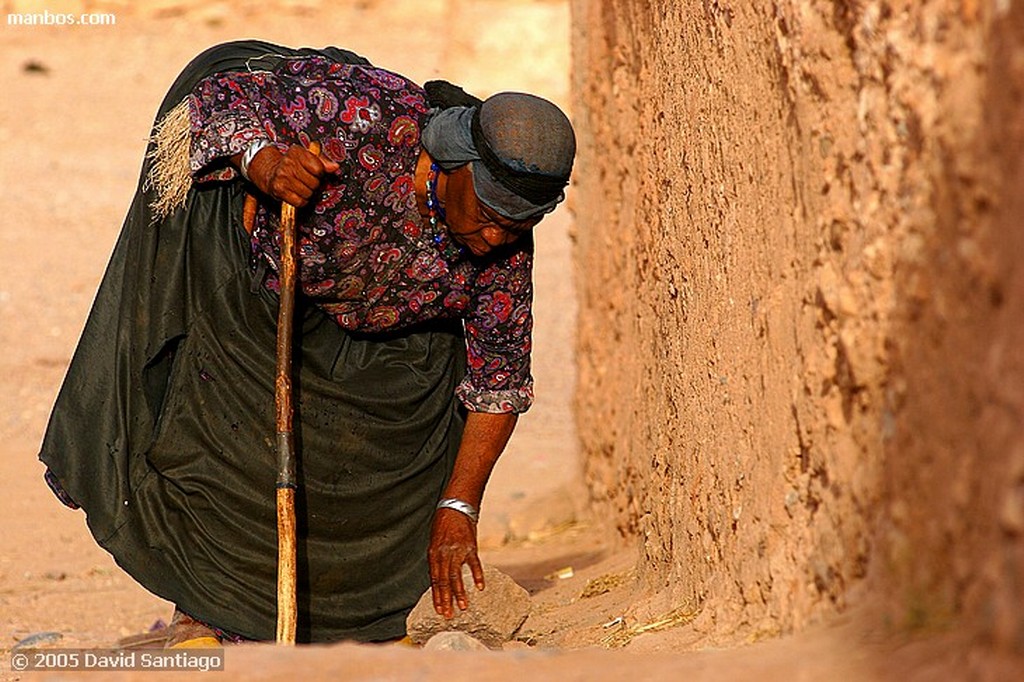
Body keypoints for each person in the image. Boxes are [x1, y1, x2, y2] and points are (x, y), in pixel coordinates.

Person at [38, 40, 575, 645]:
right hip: (263, 296)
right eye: (488, 211)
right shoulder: (363, 115)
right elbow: (212, 100)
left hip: (380, 338)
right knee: (227, 452)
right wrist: (262, 161)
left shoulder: (503, 254)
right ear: (452, 164)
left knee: (401, 454)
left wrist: (459, 508)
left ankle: (344, 621)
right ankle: (204, 608)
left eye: (519, 224)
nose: (497, 234)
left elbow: (499, 383)